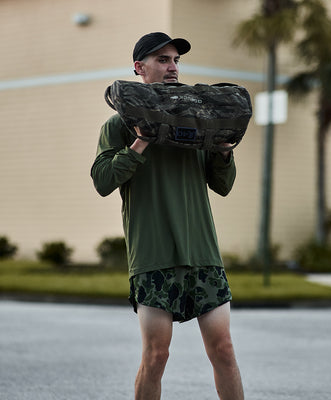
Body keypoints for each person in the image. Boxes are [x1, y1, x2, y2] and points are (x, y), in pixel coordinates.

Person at [90, 32, 244, 400]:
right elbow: (102, 180)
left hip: (203, 255)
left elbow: (222, 185)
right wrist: (140, 141)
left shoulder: (197, 121)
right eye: (162, 60)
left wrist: (223, 152)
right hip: (153, 257)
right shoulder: (117, 126)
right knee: (156, 355)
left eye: (175, 60)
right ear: (139, 68)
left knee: (223, 349)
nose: (172, 67)